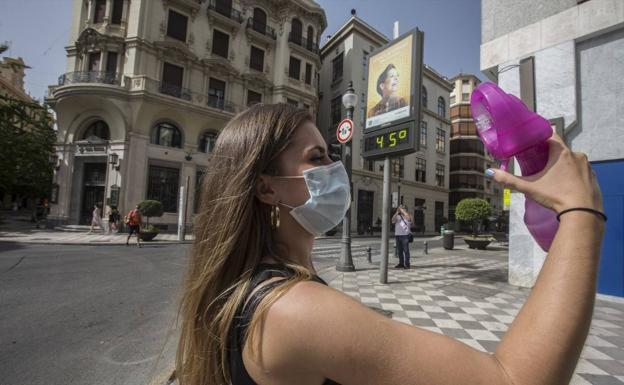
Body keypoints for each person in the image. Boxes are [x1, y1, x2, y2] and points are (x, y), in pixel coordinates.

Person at [175, 104, 605, 385]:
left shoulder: (249, 288)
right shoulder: (294, 310)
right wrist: (581, 214)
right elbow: (513, 379)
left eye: (330, 154)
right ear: (267, 189)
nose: (335, 167)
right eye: (316, 157)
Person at [391, 204, 412, 269]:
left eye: (403, 208)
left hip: (405, 235)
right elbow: (392, 221)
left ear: (406, 209)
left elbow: (409, 219)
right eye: (400, 208)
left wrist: (403, 211)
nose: (401, 209)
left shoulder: (408, 215)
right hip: (398, 235)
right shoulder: (398, 216)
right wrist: (397, 212)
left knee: (406, 250)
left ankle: (407, 264)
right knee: (399, 250)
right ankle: (401, 263)